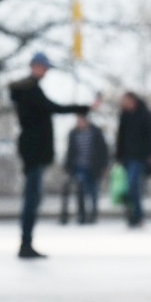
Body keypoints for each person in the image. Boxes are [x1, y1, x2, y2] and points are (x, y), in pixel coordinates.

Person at [9, 52, 90, 258]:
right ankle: (26, 243)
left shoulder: (29, 90)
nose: (45, 72)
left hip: (33, 151)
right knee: (32, 198)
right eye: (43, 68)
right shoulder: (30, 91)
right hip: (34, 152)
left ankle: (27, 241)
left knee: (33, 198)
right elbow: (52, 108)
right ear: (34, 66)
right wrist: (82, 108)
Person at [114, 92, 151, 227]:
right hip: (127, 158)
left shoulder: (144, 114)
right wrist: (118, 156)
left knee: (133, 185)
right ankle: (133, 215)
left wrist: (150, 154)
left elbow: (150, 136)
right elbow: (120, 137)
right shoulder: (124, 115)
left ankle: (137, 214)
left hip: (139, 157)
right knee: (129, 188)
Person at [63, 111, 110, 225]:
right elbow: (70, 151)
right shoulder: (73, 134)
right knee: (81, 190)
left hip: (93, 167)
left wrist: (103, 165)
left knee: (93, 191)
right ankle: (82, 215)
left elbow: (103, 150)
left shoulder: (96, 132)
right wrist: (68, 167)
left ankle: (93, 214)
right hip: (79, 166)